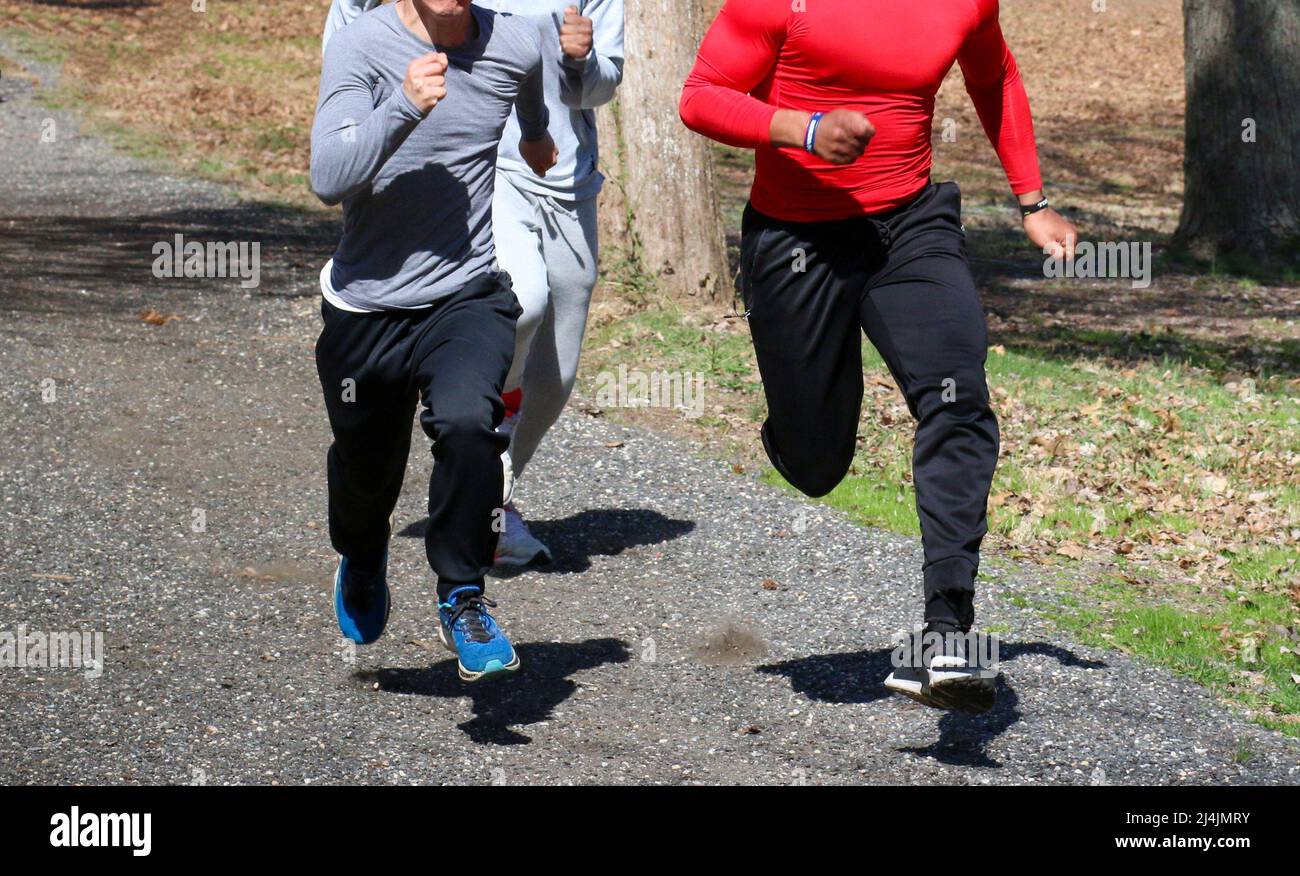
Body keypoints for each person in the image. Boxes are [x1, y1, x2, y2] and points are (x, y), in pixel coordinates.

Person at [679, 0, 1077, 711]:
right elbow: (701, 98)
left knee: (958, 395)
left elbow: (996, 77)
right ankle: (797, 430)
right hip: (797, 239)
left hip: (910, 226)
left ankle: (948, 632)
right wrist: (800, 128)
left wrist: (1032, 199)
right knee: (815, 464)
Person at [324, 0, 625, 567]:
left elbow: (598, 85)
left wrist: (578, 64)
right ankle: (467, 424)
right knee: (524, 302)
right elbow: (362, 34)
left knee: (557, 375)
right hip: (487, 171)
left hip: (568, 178)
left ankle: (494, 489)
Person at [310, 0, 557, 681]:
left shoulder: (514, 36)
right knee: (367, 472)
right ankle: (362, 555)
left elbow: (531, 81)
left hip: (466, 292)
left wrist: (536, 138)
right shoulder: (361, 46)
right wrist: (402, 108)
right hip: (368, 305)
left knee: (469, 423)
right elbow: (327, 177)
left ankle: (462, 594)